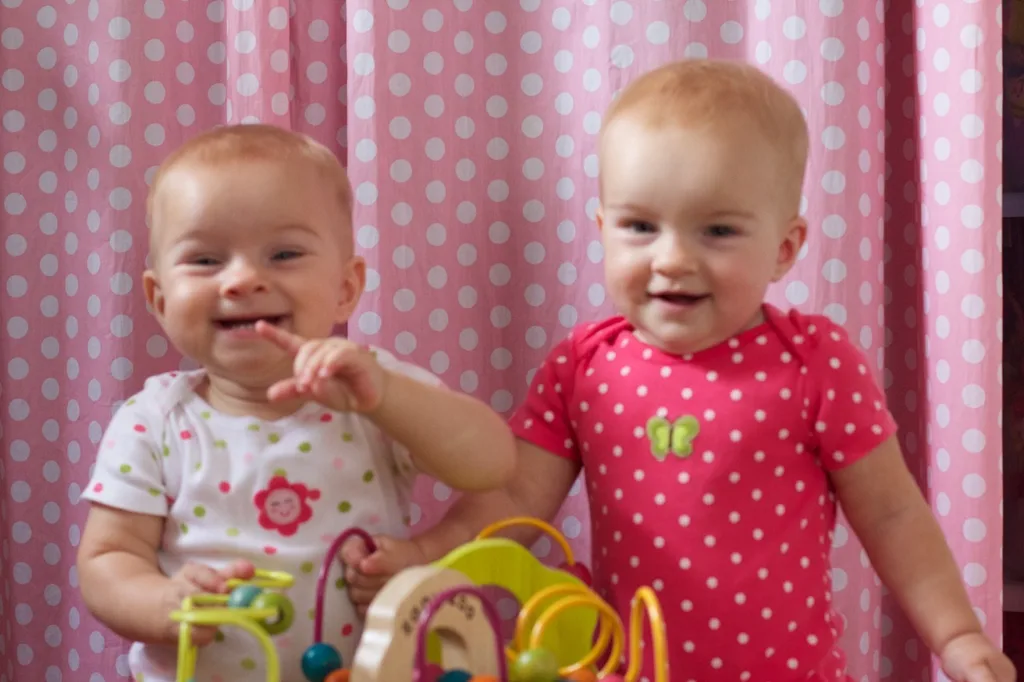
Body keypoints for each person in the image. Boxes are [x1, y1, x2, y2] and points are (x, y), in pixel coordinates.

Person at [340, 60, 1015, 682]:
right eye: (639, 227)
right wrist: (428, 551)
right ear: (602, 228)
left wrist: (956, 635)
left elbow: (893, 514)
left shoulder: (815, 363)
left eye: (716, 231)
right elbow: (513, 499)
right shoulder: (585, 366)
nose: (671, 259)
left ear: (784, 248)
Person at [75, 124, 517, 682]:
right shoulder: (153, 422)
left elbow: (492, 465)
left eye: (284, 254)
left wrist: (388, 402)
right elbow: (106, 561)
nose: (242, 279)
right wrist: (162, 604)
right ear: (159, 300)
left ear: (346, 288)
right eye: (206, 261)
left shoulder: (374, 391)